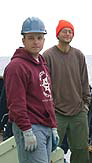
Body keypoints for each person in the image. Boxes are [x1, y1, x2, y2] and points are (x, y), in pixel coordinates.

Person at [3, 17, 59, 163]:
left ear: (44, 40)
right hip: (30, 126)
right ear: (23, 40)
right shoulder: (16, 67)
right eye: (31, 38)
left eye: (39, 37)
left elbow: (47, 98)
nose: (36, 41)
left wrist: (53, 126)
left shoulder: (42, 64)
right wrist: (26, 131)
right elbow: (16, 104)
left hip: (45, 125)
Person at [43, 20, 91, 163]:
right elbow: (44, 85)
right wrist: (48, 108)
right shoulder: (48, 55)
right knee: (51, 149)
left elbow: (85, 81)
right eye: (64, 31)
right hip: (56, 112)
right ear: (58, 34)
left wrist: (86, 104)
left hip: (78, 110)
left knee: (81, 149)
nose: (68, 34)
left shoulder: (79, 55)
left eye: (70, 31)